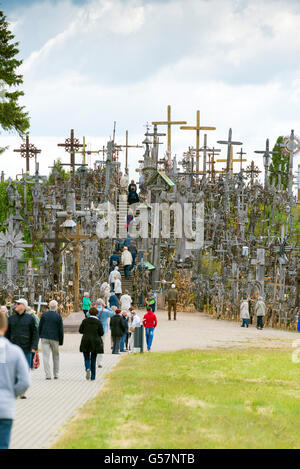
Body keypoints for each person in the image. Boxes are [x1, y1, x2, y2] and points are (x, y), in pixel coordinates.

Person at [0, 310, 31, 449]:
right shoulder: (14, 351)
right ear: (6, 327)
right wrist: (11, 393)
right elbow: (25, 381)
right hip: (5, 407)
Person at [5, 298, 38, 398]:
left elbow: (35, 333)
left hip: (26, 348)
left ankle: (23, 391)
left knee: (25, 369)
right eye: (16, 303)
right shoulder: (11, 319)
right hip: (13, 348)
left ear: (23, 306)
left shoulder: (30, 318)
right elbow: (7, 334)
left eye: (18, 304)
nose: (16, 305)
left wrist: (34, 347)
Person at [38, 300, 64, 380]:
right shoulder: (58, 316)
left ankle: (48, 375)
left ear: (49, 306)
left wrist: (39, 337)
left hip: (45, 337)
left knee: (45, 356)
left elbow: (40, 326)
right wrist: (61, 341)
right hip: (55, 338)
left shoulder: (44, 315)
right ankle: (56, 374)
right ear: (56, 307)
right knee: (56, 356)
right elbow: (61, 330)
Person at [79, 306, 104, 381]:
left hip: (86, 340)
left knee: (86, 357)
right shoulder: (98, 322)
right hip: (95, 341)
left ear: (89, 313)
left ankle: (87, 368)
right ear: (97, 313)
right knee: (93, 359)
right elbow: (101, 333)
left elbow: (80, 330)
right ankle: (93, 377)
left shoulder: (85, 321)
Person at [94, 299, 115, 368]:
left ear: (96, 304)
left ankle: (93, 360)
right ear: (102, 304)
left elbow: (88, 314)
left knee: (94, 345)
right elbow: (113, 313)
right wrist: (106, 307)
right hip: (103, 330)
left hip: (95, 330)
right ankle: (99, 362)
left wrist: (94, 307)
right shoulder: (106, 311)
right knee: (101, 345)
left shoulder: (94, 311)